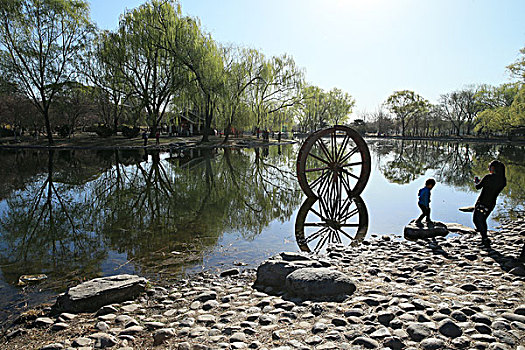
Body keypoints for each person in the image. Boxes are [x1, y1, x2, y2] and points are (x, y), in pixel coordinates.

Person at [473, 160, 506, 246]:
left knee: (477, 220)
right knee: (482, 220)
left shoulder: (488, 177)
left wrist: (477, 181)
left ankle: (485, 238)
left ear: (493, 168)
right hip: (491, 204)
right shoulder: (502, 180)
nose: (488, 168)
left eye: (490, 167)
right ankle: (485, 238)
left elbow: (478, 187)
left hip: (482, 203)